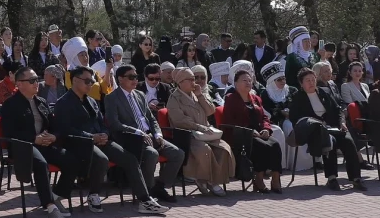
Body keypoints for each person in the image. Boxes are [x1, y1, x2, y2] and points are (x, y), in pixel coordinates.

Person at [53, 65, 168, 215]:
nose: (90, 84)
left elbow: (103, 123)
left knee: (130, 159)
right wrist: (91, 137)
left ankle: (145, 200)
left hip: (100, 140)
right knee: (102, 159)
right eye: (87, 81)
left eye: (92, 81)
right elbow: (65, 129)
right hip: (79, 142)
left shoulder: (91, 101)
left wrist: (104, 134)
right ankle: (94, 194)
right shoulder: (63, 103)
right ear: (74, 80)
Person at [0, 65, 79, 218]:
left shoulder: (41, 101)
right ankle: (50, 207)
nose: (37, 83)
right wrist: (33, 139)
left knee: (72, 160)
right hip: (23, 147)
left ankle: (55, 196)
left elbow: (55, 126)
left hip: (44, 144)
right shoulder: (10, 105)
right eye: (32, 80)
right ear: (19, 84)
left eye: (37, 79)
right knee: (41, 164)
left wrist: (53, 136)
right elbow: (9, 132)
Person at [106, 65, 186, 204]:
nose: (135, 80)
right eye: (131, 77)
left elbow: (151, 118)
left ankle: (159, 187)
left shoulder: (140, 95)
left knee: (178, 154)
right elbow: (114, 124)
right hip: (132, 138)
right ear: (120, 79)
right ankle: (147, 192)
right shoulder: (112, 98)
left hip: (150, 135)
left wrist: (158, 134)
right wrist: (137, 132)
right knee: (152, 154)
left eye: (136, 77)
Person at [290, 68, 366, 191]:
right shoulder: (298, 97)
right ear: (301, 83)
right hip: (314, 132)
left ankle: (356, 178)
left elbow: (338, 110)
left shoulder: (323, 92)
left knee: (348, 141)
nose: (311, 83)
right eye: (308, 80)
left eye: (313, 79)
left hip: (333, 127)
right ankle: (332, 178)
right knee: (331, 142)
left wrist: (342, 122)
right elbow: (295, 118)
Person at [166, 66, 234, 196]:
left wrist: (200, 95)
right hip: (188, 135)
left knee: (224, 148)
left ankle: (214, 180)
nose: (195, 82)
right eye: (191, 79)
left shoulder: (196, 94)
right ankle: (205, 179)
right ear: (181, 82)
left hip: (205, 133)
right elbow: (180, 120)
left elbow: (211, 111)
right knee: (204, 150)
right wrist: (199, 127)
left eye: (194, 79)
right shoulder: (174, 99)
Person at [222, 68, 283, 192]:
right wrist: (249, 131)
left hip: (259, 133)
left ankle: (276, 179)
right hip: (241, 135)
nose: (248, 83)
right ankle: (258, 179)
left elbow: (264, 117)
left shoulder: (256, 98)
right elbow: (229, 121)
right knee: (261, 146)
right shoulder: (231, 98)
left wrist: (266, 129)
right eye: (244, 80)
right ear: (236, 83)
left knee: (275, 144)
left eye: (250, 80)